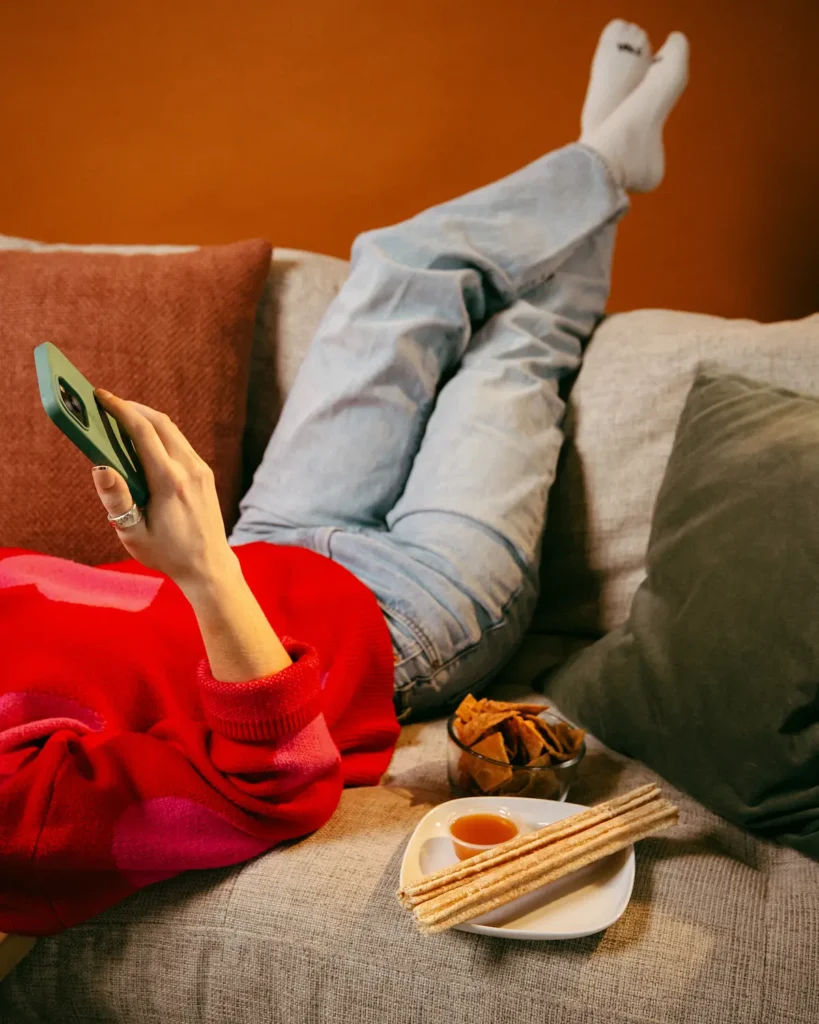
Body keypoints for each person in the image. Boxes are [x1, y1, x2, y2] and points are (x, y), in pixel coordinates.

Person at [0, 20, 689, 936]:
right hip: (406, 622)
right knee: (512, 354)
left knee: (397, 268)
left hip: (276, 534)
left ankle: (598, 165)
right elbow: (275, 787)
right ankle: (607, 167)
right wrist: (202, 565)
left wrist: (215, 548)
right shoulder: (26, 829)